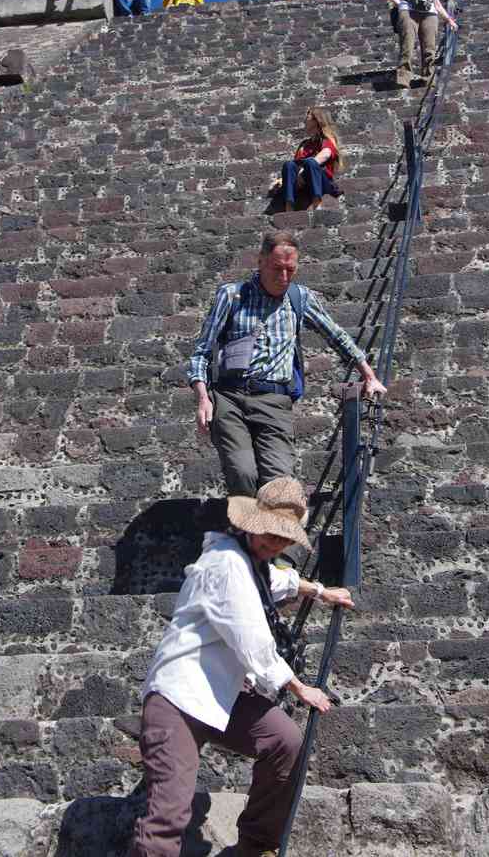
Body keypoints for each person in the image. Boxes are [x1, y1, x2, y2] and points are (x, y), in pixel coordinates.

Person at [130, 475, 356, 857]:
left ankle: (256, 846)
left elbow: (279, 580)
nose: (274, 543)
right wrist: (299, 688)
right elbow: (251, 637)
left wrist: (320, 591)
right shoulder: (225, 564)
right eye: (268, 533)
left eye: (283, 538)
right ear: (251, 524)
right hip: (178, 698)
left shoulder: (252, 561)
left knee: (283, 741)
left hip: (223, 694)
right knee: (168, 815)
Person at [188, 229, 387, 497]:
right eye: (276, 268)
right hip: (230, 398)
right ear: (260, 261)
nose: (283, 277)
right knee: (243, 473)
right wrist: (203, 398)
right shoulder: (231, 295)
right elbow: (202, 351)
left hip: (274, 400)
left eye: (290, 270)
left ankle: (268, 534)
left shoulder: (299, 298)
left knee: (279, 484)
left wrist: (369, 375)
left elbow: (336, 335)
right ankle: (247, 534)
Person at [280, 107, 341, 211]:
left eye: (308, 114)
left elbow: (326, 154)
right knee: (289, 164)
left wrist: (303, 170)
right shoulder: (304, 144)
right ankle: (289, 205)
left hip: (321, 182)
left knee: (311, 162)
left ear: (316, 119)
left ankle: (317, 203)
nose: (305, 118)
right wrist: (281, 180)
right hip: (302, 182)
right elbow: (294, 166)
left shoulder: (327, 139)